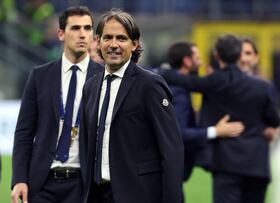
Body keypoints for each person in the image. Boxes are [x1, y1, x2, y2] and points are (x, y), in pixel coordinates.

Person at [81, 9, 184, 203]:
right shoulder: (91, 87)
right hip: (97, 195)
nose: (113, 45)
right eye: (107, 37)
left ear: (134, 44)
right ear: (98, 41)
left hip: (139, 195)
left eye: (121, 38)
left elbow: (172, 150)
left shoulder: (150, 84)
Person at [163, 34, 280, 203]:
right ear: (240, 54)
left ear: (217, 55)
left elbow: (181, 79)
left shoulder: (213, 82)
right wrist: (265, 127)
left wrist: (159, 70)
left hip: (226, 162)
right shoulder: (263, 87)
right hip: (257, 163)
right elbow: (274, 120)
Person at [11, 6, 103, 203]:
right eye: (76, 28)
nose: (82, 34)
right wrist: (19, 179)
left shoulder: (103, 78)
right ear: (61, 34)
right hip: (43, 185)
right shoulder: (39, 76)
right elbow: (24, 133)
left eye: (88, 29)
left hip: (84, 186)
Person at [166, 41, 244, 183]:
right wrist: (215, 131)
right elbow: (178, 133)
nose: (201, 63)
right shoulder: (179, 92)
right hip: (166, 173)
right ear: (187, 61)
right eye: (198, 58)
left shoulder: (171, 85)